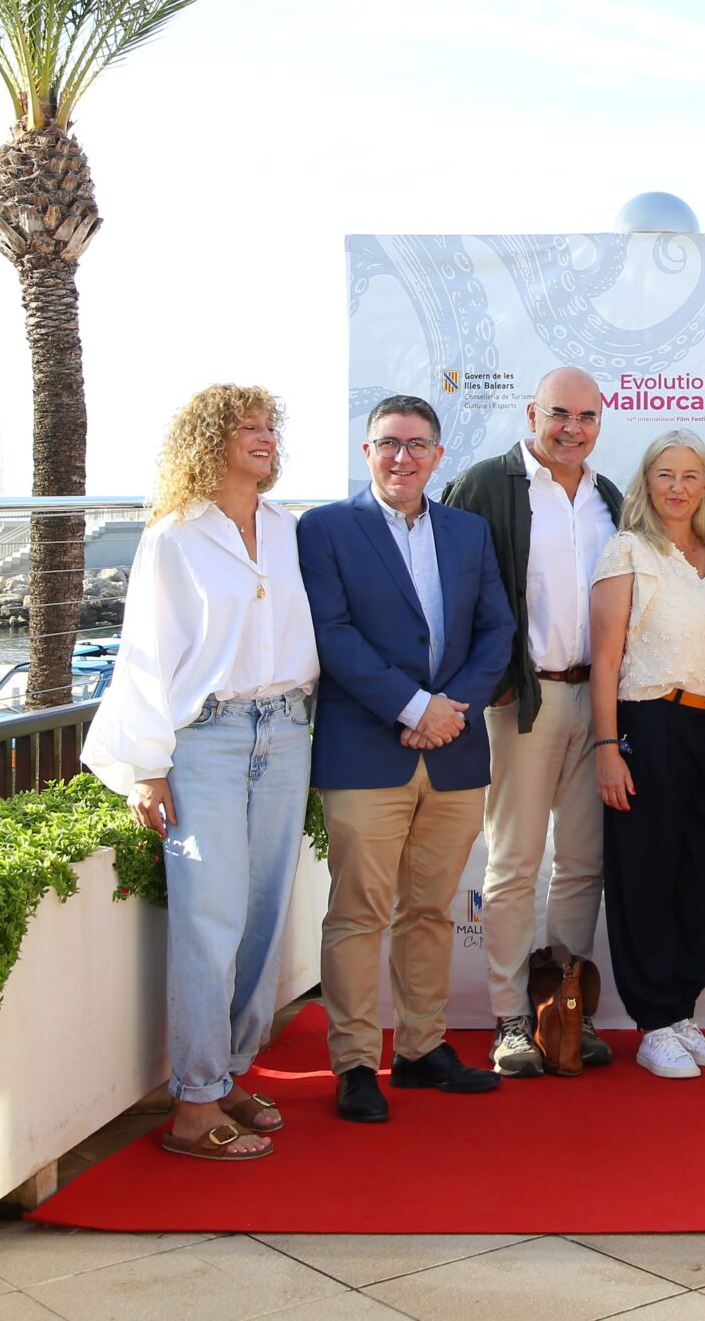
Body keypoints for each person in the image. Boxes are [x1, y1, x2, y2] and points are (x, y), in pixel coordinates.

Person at [84, 385, 317, 1162]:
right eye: (248, 426)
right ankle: (192, 1103)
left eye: (270, 426)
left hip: (286, 729)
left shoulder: (287, 529)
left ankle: (229, 1074)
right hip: (208, 739)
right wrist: (149, 767)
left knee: (262, 916)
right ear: (209, 440)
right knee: (208, 919)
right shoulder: (174, 537)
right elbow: (146, 654)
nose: (265, 437)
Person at [299, 394, 517, 1122]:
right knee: (358, 913)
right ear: (367, 451)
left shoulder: (468, 531)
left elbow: (496, 631)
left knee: (429, 910)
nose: (403, 456)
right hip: (366, 750)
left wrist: (448, 709)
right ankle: (357, 1063)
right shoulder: (326, 528)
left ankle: (422, 1049)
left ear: (438, 455)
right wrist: (412, 706)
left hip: (454, 749)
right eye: (389, 443)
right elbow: (332, 633)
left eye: (418, 444)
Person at [439, 366, 625, 1077]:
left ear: (600, 421)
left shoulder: (609, 497)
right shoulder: (488, 484)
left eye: (587, 416)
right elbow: (451, 591)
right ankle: (512, 1017)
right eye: (559, 414)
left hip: (596, 701)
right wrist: (486, 684)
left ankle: (564, 1006)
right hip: (524, 699)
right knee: (514, 862)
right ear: (531, 413)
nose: (572, 428)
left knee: (583, 864)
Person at [586, 430, 705, 1080]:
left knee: (702, 875)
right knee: (645, 871)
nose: (677, 487)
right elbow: (604, 660)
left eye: (690, 475)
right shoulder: (628, 549)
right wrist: (607, 747)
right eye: (665, 474)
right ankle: (653, 1021)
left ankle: (683, 1011)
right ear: (646, 482)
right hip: (650, 722)